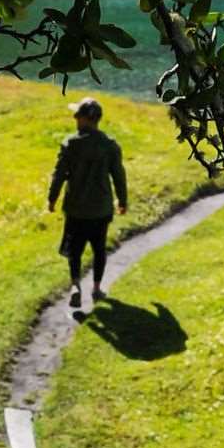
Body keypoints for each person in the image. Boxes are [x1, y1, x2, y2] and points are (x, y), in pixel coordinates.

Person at [48, 96, 128, 309]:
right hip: (101, 208)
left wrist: (52, 199)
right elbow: (118, 175)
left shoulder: (70, 144)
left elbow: (59, 174)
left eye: (77, 115)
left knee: (74, 249)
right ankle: (96, 288)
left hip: (75, 208)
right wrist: (122, 200)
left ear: (83, 119)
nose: (75, 119)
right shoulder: (110, 145)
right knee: (99, 248)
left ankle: (75, 285)